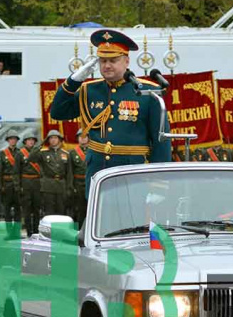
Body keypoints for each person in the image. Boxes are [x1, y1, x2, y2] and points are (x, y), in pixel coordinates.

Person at [48, 29, 171, 197]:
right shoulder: (89, 90)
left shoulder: (149, 92)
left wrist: (158, 186)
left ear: (126, 61)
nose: (106, 65)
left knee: (132, 222)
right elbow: (57, 112)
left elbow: (160, 141)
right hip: (98, 173)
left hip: (133, 174)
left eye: (113, 60)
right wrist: (73, 81)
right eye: (103, 60)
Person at [38, 129, 71, 218]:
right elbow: (31, 157)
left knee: (61, 211)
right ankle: (50, 231)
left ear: (59, 140)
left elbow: (69, 173)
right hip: (48, 186)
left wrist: (69, 188)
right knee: (49, 212)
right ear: (48, 140)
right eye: (51, 138)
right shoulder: (43, 153)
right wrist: (41, 144)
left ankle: (60, 231)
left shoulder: (66, 154)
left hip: (61, 185)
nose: (53, 140)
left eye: (55, 138)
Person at [18, 134, 42, 237]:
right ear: (25, 142)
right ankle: (29, 231)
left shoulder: (38, 153)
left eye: (33, 140)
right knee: (27, 209)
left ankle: (36, 231)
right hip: (26, 181)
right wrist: (18, 186)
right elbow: (16, 171)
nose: (31, 142)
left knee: (36, 208)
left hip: (37, 182)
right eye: (28, 140)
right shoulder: (20, 154)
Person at [0, 131, 22, 225]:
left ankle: (16, 232)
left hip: (17, 184)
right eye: (11, 139)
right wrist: (0, 185)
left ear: (17, 140)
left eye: (14, 139)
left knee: (18, 208)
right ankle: (9, 232)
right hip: (7, 184)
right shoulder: (2, 154)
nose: (13, 141)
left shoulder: (21, 153)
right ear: (8, 141)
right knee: (7, 209)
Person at [68, 132, 89, 225]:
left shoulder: (93, 151)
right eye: (81, 137)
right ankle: (79, 231)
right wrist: (71, 186)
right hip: (78, 184)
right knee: (79, 209)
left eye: (85, 137)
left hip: (90, 182)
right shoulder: (72, 153)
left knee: (91, 208)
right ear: (77, 139)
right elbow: (70, 171)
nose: (83, 139)